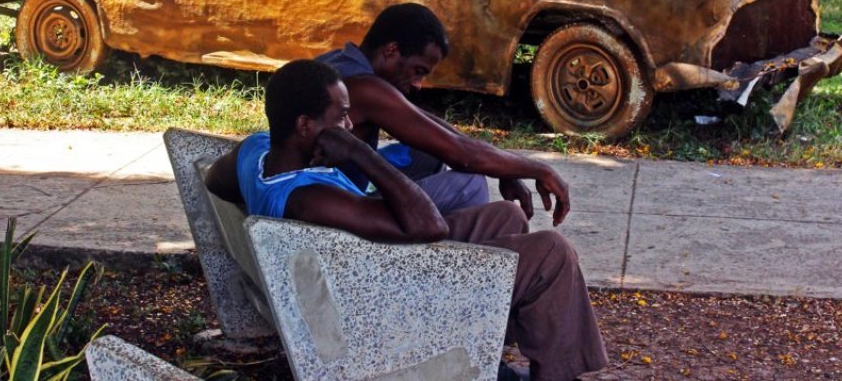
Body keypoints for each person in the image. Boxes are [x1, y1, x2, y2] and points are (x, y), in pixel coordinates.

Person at [206, 59, 608, 381]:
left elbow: (215, 179)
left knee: (507, 213)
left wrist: (257, 193)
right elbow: (428, 226)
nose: (349, 126)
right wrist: (361, 154)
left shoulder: (257, 152)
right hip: (384, 295)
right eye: (341, 118)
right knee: (551, 252)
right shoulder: (310, 199)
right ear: (305, 126)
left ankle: (483, 358)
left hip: (369, 263)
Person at [316, 3, 571, 221]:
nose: (418, 84)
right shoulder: (364, 87)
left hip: (327, 197)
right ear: (391, 51)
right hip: (332, 211)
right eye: (418, 71)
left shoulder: (338, 62)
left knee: (425, 151)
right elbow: (463, 155)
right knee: (470, 185)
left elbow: (430, 125)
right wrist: (540, 170)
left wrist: (505, 167)